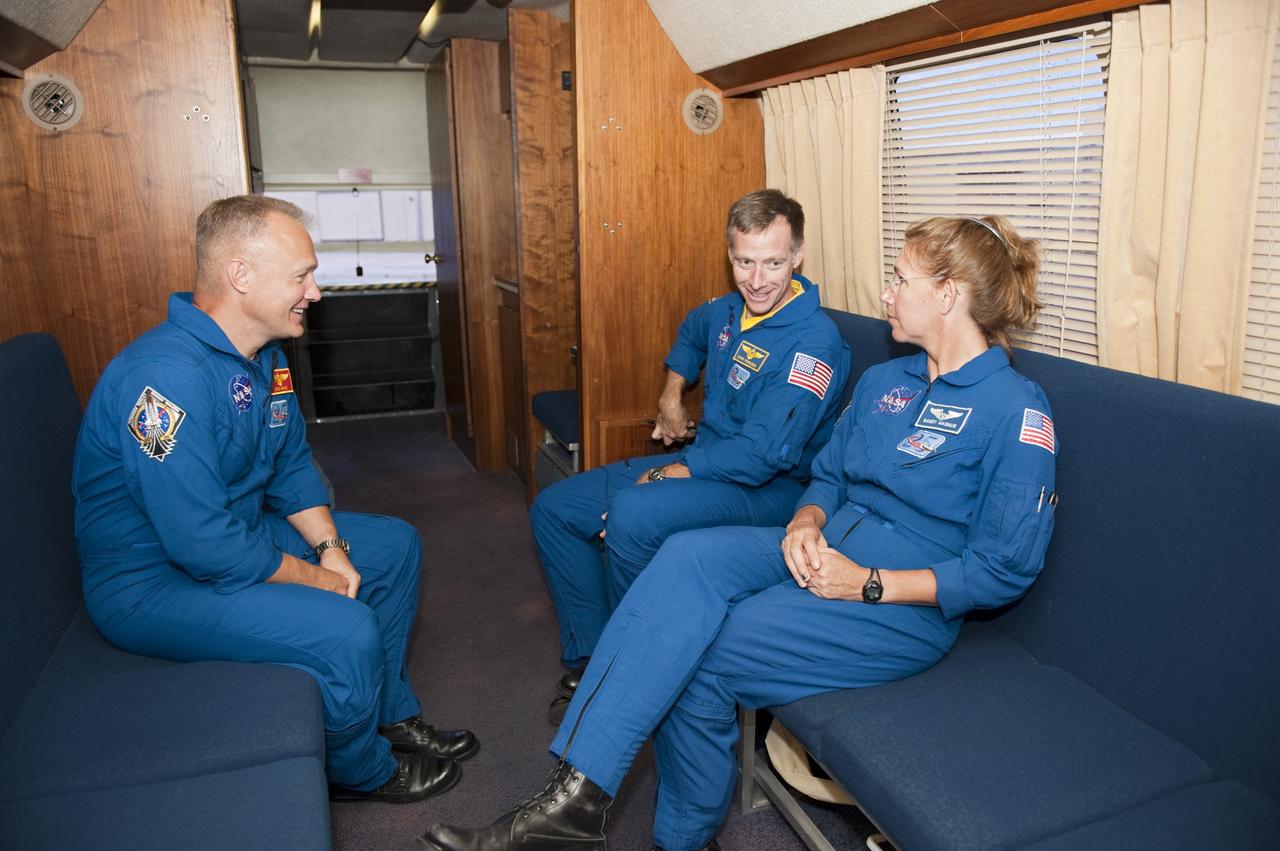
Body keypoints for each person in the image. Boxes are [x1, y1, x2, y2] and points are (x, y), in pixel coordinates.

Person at [420, 215, 1059, 851]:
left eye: (900, 280)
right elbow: (828, 476)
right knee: (683, 557)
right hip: (823, 550)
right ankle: (576, 799)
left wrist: (867, 584)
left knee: (702, 650)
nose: (886, 293)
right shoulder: (886, 381)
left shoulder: (1016, 410)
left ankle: (682, 839)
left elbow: (1004, 568)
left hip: (898, 604)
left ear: (948, 295)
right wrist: (806, 521)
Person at [72, 195, 476, 803]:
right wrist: (317, 580)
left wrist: (331, 551)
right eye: (301, 275)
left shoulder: (266, 358)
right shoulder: (161, 379)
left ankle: (387, 712)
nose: (314, 292)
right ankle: (358, 769)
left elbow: (290, 467)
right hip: (150, 580)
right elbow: (201, 545)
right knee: (345, 628)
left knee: (393, 546)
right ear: (240, 276)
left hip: (237, 537)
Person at [531, 189, 850, 721]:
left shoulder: (813, 343)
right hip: (711, 462)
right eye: (744, 261)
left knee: (633, 512)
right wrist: (671, 394)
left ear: (797, 257)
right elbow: (692, 332)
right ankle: (598, 657)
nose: (757, 279)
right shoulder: (729, 310)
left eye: (773, 262)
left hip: (771, 490)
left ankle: (640, 676)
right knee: (556, 510)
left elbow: (762, 456)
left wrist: (674, 471)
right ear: (730, 257)